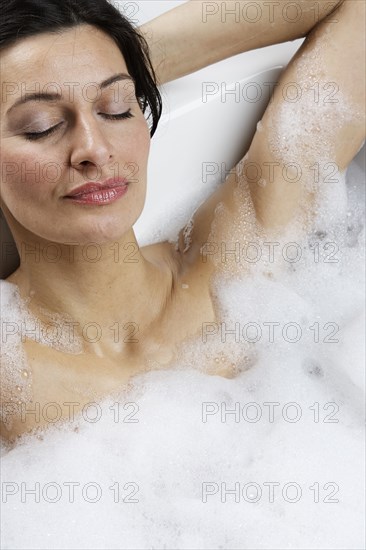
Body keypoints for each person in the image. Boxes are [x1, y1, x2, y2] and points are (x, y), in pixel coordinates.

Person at [0, 0, 364, 443]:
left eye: (116, 108)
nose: (94, 148)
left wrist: (131, 56)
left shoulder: (233, 274)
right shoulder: (12, 379)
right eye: (41, 126)